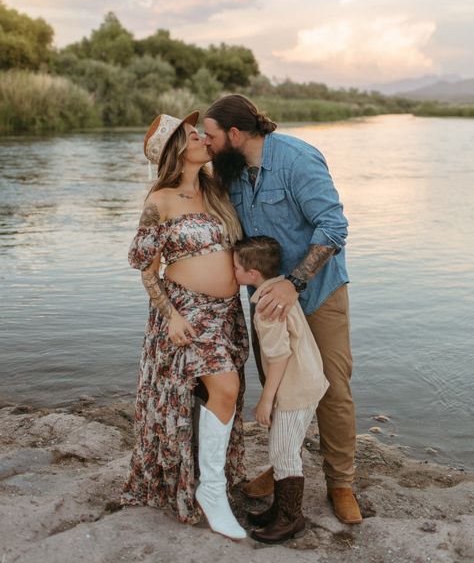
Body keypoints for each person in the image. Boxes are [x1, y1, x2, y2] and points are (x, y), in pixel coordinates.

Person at [203, 94, 362, 525]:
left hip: (318, 293)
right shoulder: (230, 173)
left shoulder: (297, 160)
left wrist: (295, 283)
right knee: (277, 385)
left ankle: (340, 483)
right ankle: (282, 465)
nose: (207, 144)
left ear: (235, 135)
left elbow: (334, 227)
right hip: (267, 302)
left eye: (211, 137)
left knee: (331, 387)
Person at [121, 111, 249, 540]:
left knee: (220, 394)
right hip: (187, 313)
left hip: (226, 313)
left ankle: (206, 480)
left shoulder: (216, 192)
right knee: (225, 388)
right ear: (177, 149)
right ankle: (211, 492)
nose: (200, 138)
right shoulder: (159, 200)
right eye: (192, 135)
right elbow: (146, 269)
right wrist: (170, 315)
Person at [233, 236, 329, 543]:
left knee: (284, 452)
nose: (231, 270)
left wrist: (266, 400)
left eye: (236, 266)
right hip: (306, 379)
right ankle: (280, 509)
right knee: (280, 447)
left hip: (295, 387)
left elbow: (279, 356)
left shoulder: (265, 305)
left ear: (251, 274)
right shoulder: (278, 289)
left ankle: (291, 519)